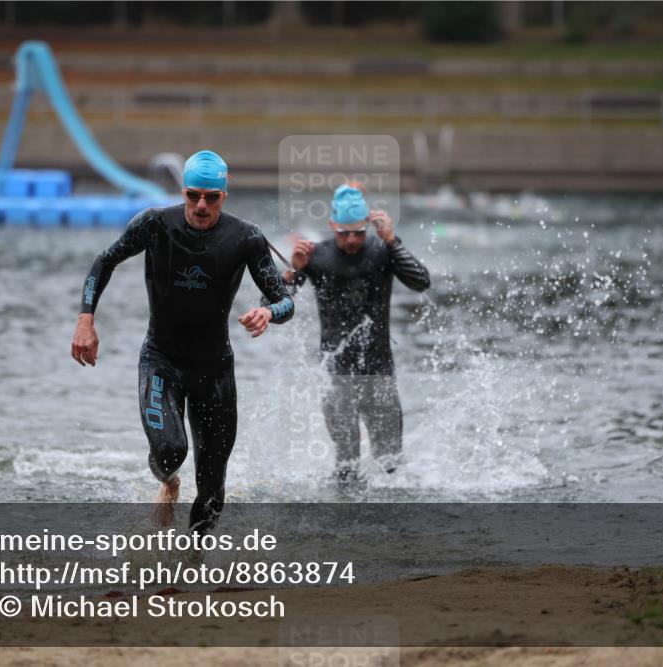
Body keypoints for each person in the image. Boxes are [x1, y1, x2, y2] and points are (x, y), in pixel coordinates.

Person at [71, 150, 294, 531]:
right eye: (193, 195)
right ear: (184, 192)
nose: (201, 206)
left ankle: (192, 566)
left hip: (214, 369)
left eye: (211, 197)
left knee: (212, 487)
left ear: (224, 195)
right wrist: (86, 320)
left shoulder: (247, 237)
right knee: (170, 450)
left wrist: (269, 313)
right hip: (162, 359)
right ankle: (168, 482)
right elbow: (103, 260)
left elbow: (285, 300)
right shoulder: (155, 224)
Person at [285, 184, 430, 485]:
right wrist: (292, 272)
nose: (352, 239)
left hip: (379, 372)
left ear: (368, 227)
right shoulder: (316, 256)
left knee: (391, 467)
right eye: (344, 232)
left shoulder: (383, 251)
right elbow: (273, 305)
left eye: (359, 232)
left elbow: (421, 282)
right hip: (337, 376)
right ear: (331, 226)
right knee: (347, 467)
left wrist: (392, 241)